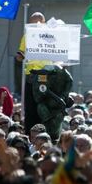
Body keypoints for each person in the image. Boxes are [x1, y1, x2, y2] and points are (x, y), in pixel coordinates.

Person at [16, 12, 73, 142]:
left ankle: (52, 135)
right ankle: (32, 137)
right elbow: (20, 54)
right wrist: (20, 57)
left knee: (51, 107)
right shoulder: (28, 35)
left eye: (37, 22)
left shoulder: (55, 34)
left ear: (43, 22)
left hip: (51, 78)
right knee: (32, 110)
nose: (35, 25)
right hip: (33, 76)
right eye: (32, 23)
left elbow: (64, 54)